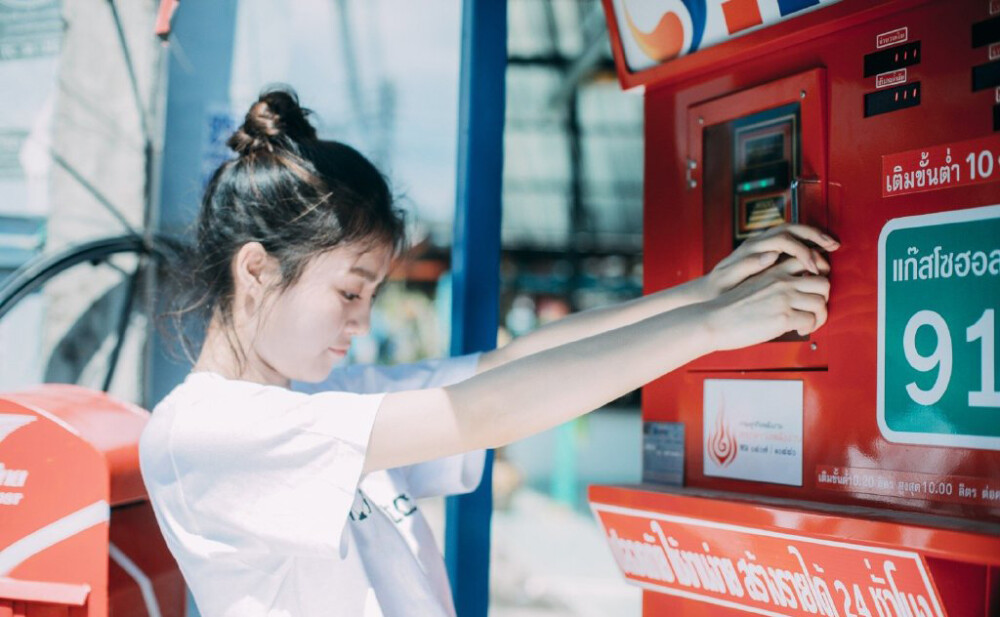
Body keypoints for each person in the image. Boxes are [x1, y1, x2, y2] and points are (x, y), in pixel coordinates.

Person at [139, 88, 838, 617]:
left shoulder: (316, 397)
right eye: (351, 292)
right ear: (256, 270)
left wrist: (704, 296)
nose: (362, 319)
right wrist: (712, 327)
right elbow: (477, 413)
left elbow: (504, 368)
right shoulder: (202, 431)